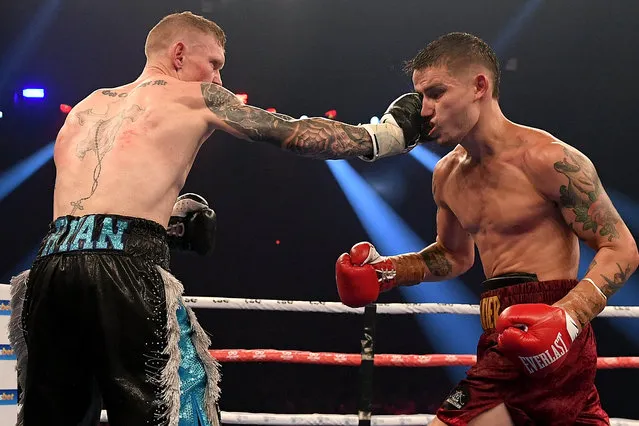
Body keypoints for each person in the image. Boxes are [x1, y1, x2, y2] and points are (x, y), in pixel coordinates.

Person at [6, 10, 431, 426]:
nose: (219, 79)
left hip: (50, 270)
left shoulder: (88, 106)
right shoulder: (196, 95)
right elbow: (290, 132)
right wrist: (385, 137)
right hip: (125, 270)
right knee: (176, 404)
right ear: (178, 54)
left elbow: (94, 204)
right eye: (213, 64)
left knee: (54, 414)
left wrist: (166, 217)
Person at [334, 32, 639, 426]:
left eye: (436, 93)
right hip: (495, 327)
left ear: (480, 86)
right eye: (420, 96)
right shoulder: (446, 174)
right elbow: (453, 256)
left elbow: (621, 248)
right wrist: (388, 271)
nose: (423, 110)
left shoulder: (549, 159)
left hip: (554, 326)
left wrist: (568, 316)